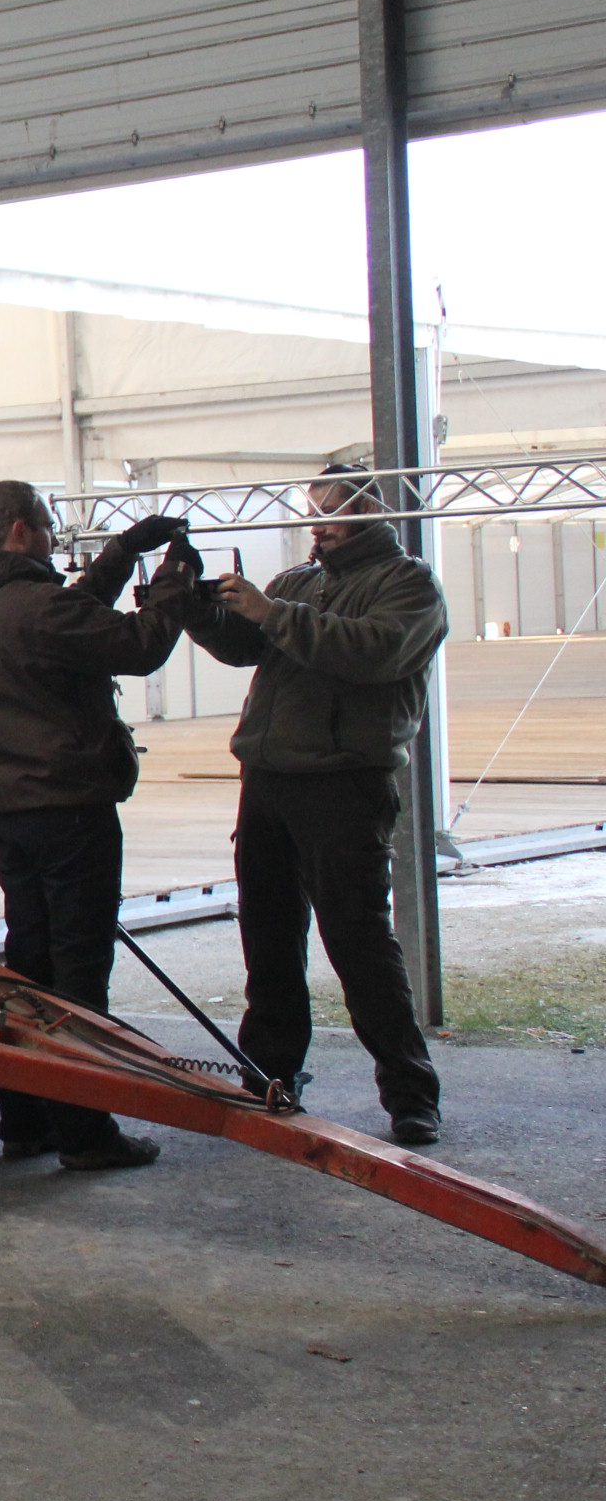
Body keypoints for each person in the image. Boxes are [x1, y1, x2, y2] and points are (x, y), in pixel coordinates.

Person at [186, 464, 447, 1145]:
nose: (318, 523)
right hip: (268, 779)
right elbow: (246, 645)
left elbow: (372, 652)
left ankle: (410, 1092)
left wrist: (271, 613)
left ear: (370, 510)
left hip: (343, 784)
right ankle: (268, 1075)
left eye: (331, 511)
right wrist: (197, 609)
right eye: (314, 510)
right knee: (268, 938)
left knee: (358, 943)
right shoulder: (297, 581)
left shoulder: (409, 585)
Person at [0, 480, 193, 1170]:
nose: (56, 536)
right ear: (21, 531)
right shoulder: (35, 606)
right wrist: (175, 582)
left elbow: (73, 614)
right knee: (79, 972)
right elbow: (139, 645)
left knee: (28, 967)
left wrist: (124, 552)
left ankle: (25, 1121)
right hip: (70, 811)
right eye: (48, 524)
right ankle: (87, 1133)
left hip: (16, 810)